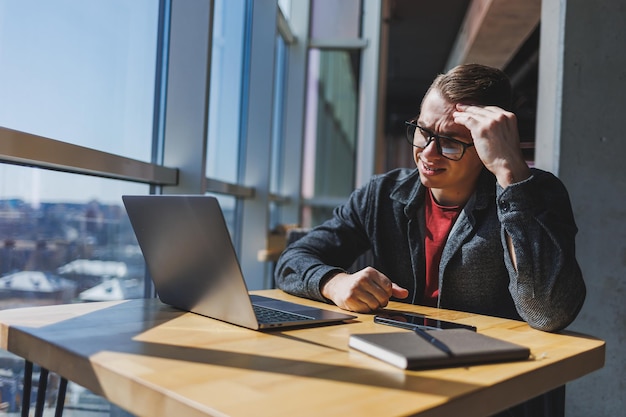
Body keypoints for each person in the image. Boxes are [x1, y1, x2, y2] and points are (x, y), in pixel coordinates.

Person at [275, 63, 585, 416]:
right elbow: (293, 259)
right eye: (423, 131)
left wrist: (511, 174)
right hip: (399, 379)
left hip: (493, 394)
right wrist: (334, 283)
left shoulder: (534, 194)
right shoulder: (383, 194)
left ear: (487, 144)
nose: (428, 153)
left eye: (451, 142)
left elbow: (548, 312)